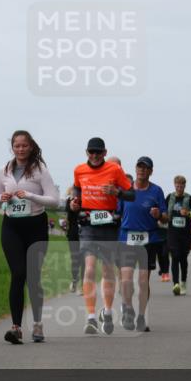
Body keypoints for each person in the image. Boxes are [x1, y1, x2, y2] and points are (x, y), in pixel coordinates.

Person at [0, 130, 60, 343]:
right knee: (18, 273)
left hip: (36, 226)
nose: (20, 149)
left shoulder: (40, 170)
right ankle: (16, 327)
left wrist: (30, 195)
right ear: (12, 147)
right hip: (11, 225)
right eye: (16, 146)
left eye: (24, 145)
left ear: (30, 147)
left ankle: (38, 324)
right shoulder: (5, 169)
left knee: (33, 277)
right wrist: (1, 197)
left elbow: (54, 200)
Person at [71, 137, 134, 335]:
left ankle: (107, 311)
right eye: (91, 152)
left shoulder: (114, 170)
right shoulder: (79, 169)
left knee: (107, 270)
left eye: (98, 152)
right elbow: (77, 189)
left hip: (108, 227)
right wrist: (75, 202)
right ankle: (91, 318)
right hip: (88, 225)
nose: (95, 156)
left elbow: (131, 194)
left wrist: (116, 191)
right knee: (89, 269)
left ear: (105, 152)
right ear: (86, 152)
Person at [116, 157, 166, 332]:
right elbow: (117, 213)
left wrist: (159, 214)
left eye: (146, 168)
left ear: (151, 171)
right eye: (139, 167)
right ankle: (128, 309)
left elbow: (166, 218)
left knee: (143, 281)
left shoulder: (157, 191)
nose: (142, 170)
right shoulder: (126, 190)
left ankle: (142, 316)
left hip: (148, 240)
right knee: (127, 279)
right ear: (136, 169)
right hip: (126, 238)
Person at [164, 175, 191, 295]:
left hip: (185, 234)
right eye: (177, 185)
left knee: (183, 259)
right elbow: (163, 210)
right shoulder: (169, 197)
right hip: (172, 232)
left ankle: (183, 282)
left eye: (181, 185)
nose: (179, 187)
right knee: (175, 256)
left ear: (184, 186)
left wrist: (189, 213)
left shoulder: (189, 198)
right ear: (174, 185)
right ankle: (176, 284)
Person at [64, 187, 83, 293]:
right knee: (75, 257)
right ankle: (75, 279)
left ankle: (84, 282)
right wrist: (72, 205)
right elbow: (69, 213)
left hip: (85, 232)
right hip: (73, 233)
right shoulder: (69, 201)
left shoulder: (88, 199)